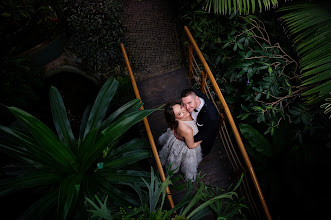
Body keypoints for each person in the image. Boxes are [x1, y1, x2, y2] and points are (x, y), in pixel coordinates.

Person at [158, 102, 203, 181]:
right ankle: (188, 176)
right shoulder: (187, 129)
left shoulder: (184, 117)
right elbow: (191, 146)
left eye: (181, 108)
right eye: (179, 114)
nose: (184, 111)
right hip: (184, 145)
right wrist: (202, 138)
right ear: (175, 119)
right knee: (186, 161)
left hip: (177, 136)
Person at [181, 88, 219, 156]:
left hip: (204, 134)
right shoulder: (192, 93)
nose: (186, 107)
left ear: (197, 99)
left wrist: (187, 139)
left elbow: (205, 134)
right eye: (184, 104)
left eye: (189, 103)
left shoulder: (211, 117)